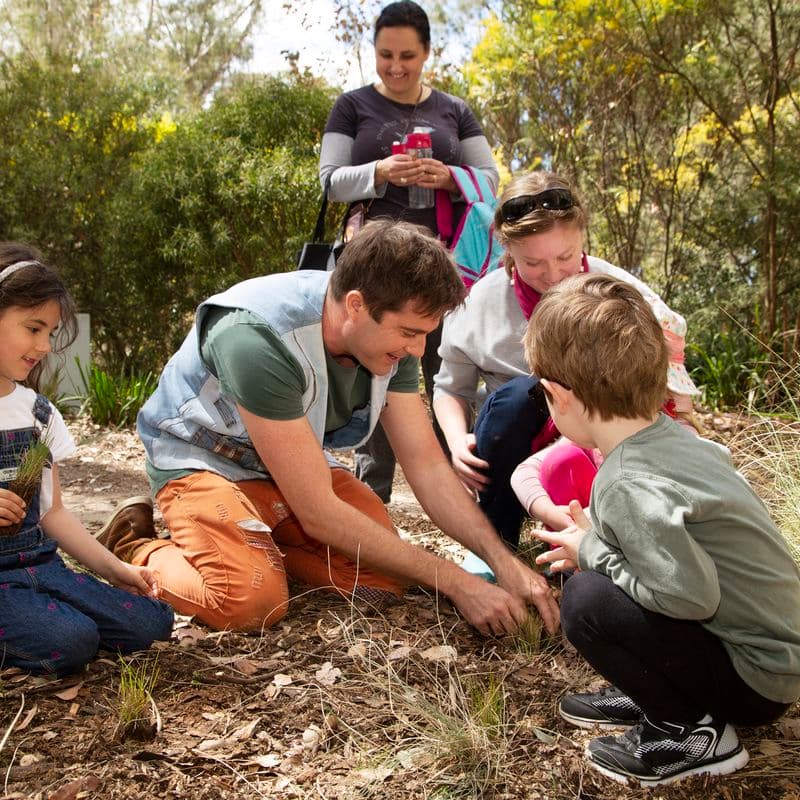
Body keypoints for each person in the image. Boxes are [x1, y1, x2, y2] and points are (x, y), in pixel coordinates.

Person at [97, 221, 559, 638]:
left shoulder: (386, 338)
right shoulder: (255, 338)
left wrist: (501, 561)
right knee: (250, 604)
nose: (419, 351)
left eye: (426, 334)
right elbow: (317, 511)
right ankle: (136, 547)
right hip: (205, 464)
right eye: (409, 332)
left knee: (386, 576)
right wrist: (458, 583)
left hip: (287, 470)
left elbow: (427, 466)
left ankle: (258, 543)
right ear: (356, 305)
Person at [526, 273, 800, 787]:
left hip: (755, 682)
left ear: (556, 395)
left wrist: (593, 552)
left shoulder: (627, 479)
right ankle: (661, 688)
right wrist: (599, 543)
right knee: (596, 581)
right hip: (772, 662)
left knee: (586, 599)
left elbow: (690, 598)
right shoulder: (673, 440)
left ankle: (689, 731)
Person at [433, 171, 699, 549]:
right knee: (522, 395)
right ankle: (495, 540)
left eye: (565, 256)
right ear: (507, 250)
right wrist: (458, 441)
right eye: (533, 262)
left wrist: (685, 425)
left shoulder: (618, 290)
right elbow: (449, 388)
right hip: (516, 438)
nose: (554, 275)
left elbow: (669, 369)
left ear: (582, 239)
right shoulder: (480, 302)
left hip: (602, 434)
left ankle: (604, 536)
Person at [320, 0, 499, 503]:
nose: (395, 67)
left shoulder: (454, 110)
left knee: (446, 379)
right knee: (374, 378)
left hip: (443, 270)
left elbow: (489, 180)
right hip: (372, 265)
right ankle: (368, 507)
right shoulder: (351, 106)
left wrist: (447, 176)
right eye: (384, 55)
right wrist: (380, 171)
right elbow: (330, 183)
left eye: (407, 56)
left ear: (426, 54)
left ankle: (464, 502)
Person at [0, 243, 174, 676]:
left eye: (50, 333)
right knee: (72, 642)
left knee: (152, 623)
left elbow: (53, 512)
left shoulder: (38, 414)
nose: (43, 346)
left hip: (40, 566)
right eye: (32, 328)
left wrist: (114, 569)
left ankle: (43, 613)